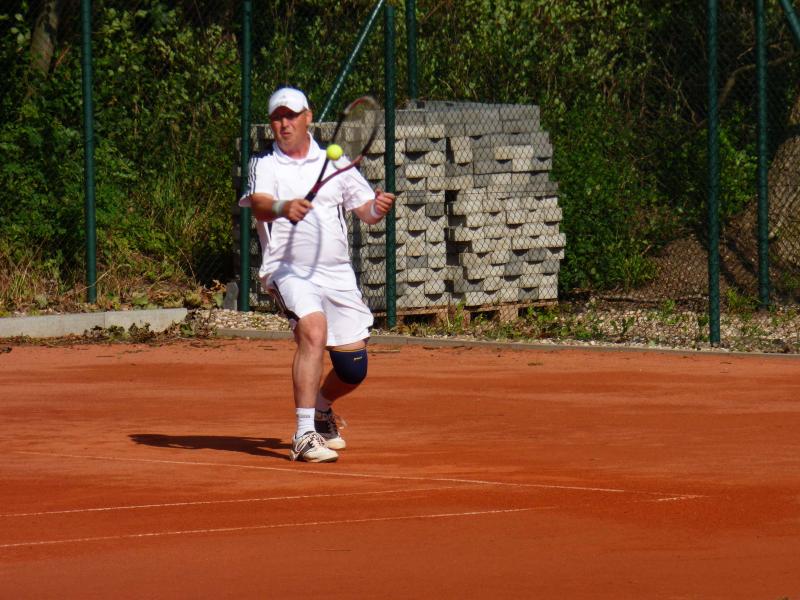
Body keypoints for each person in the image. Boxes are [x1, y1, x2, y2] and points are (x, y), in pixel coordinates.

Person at [238, 87, 395, 463]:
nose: (284, 123)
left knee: (352, 369)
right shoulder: (266, 164)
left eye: (291, 115)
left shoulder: (336, 163)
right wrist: (283, 207)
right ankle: (304, 434)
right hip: (287, 269)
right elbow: (259, 206)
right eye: (277, 117)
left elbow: (366, 212)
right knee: (313, 329)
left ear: (307, 117)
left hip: (336, 273)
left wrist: (378, 206)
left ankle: (323, 410)